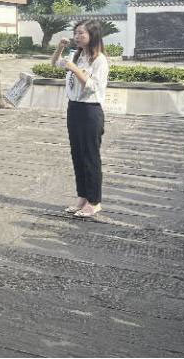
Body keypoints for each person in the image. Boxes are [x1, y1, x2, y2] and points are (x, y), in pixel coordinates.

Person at [52, 19, 110, 218]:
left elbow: (93, 86)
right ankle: (82, 196)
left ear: (92, 36)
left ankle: (94, 201)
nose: (77, 37)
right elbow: (55, 63)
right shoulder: (77, 55)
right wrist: (60, 49)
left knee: (90, 156)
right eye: (75, 33)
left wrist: (75, 69)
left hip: (90, 111)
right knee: (77, 155)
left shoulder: (99, 60)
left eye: (81, 33)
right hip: (74, 108)